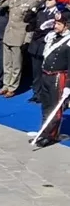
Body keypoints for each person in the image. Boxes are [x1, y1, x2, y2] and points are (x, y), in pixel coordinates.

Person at [0, 0, 43, 98]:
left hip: (20, 36)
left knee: (16, 65)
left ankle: (12, 87)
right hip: (8, 34)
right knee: (7, 63)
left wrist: (27, 40)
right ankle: (5, 85)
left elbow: (31, 22)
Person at [33, 10, 70, 147]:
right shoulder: (52, 36)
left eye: (59, 24)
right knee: (46, 105)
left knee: (55, 107)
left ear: (66, 25)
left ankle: (51, 135)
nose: (55, 26)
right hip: (46, 75)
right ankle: (44, 132)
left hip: (58, 77)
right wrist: (43, 28)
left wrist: (68, 85)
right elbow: (36, 37)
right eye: (55, 23)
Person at [27, 0, 60, 104]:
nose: (47, 1)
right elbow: (28, 22)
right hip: (36, 46)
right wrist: (33, 10)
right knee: (36, 72)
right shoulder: (40, 12)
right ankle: (36, 93)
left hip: (47, 46)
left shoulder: (59, 13)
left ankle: (44, 95)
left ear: (56, 0)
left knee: (46, 73)